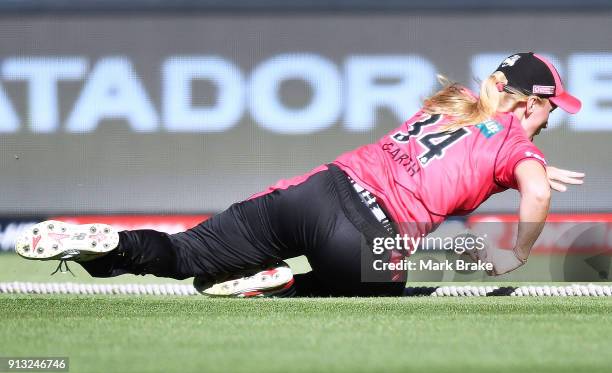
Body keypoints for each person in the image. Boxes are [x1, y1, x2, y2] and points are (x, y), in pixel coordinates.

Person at [15, 52, 585, 297]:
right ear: (529, 104)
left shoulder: (455, 99)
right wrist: (519, 250)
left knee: (184, 254)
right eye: (551, 108)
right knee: (416, 278)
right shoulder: (515, 144)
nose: (551, 118)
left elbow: (474, 142)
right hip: (368, 235)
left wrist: (521, 157)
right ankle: (282, 285)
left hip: (316, 191)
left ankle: (108, 243)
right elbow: (530, 188)